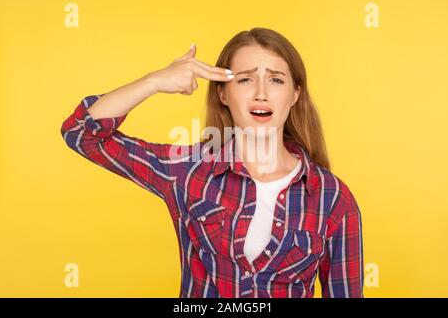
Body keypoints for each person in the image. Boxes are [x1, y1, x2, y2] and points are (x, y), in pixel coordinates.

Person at [60, 27, 364, 298]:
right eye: (245, 80)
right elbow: (82, 133)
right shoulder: (189, 171)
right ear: (223, 94)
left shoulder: (332, 198)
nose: (261, 93)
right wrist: (153, 81)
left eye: (275, 79)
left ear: (295, 94)